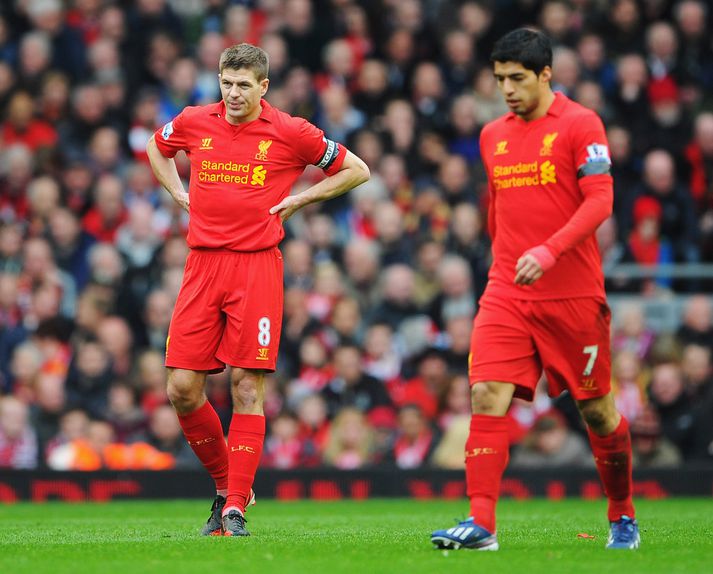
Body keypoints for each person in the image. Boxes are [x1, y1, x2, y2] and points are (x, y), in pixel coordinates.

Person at [146, 43, 369, 537]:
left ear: (263, 87)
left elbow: (357, 169)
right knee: (182, 389)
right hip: (201, 265)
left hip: (256, 269)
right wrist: (176, 191)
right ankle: (231, 487)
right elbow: (154, 147)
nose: (232, 93)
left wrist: (300, 199)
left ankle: (233, 510)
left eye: (243, 84)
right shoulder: (194, 120)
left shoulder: (291, 131)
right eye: (226, 82)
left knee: (246, 385)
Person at [430, 29, 639, 551]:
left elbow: (600, 202)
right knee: (485, 393)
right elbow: (499, 209)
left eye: (517, 78)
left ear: (546, 74)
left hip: (570, 293)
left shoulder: (580, 124)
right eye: (499, 78)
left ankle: (622, 515)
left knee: (597, 411)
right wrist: (502, 262)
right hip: (507, 289)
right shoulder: (491, 135)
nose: (507, 89)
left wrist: (548, 250)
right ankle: (482, 525)